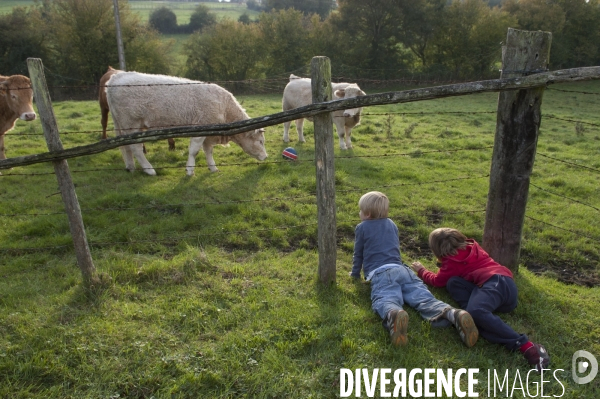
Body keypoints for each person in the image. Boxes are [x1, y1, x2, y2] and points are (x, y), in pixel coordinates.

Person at [410, 227, 550, 371]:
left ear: (437, 250)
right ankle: (472, 318)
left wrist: (421, 270)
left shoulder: (451, 263)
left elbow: (437, 281)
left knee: (476, 311)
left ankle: (526, 346)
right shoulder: (474, 247)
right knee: (453, 282)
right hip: (506, 287)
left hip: (495, 283)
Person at [350, 191, 478, 347]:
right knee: (422, 297)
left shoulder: (362, 227)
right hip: (403, 270)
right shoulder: (391, 224)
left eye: (361, 210)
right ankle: (452, 313)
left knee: (386, 297)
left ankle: (393, 313)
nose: (359, 213)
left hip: (382, 273)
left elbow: (358, 255)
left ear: (367, 214)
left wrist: (355, 274)